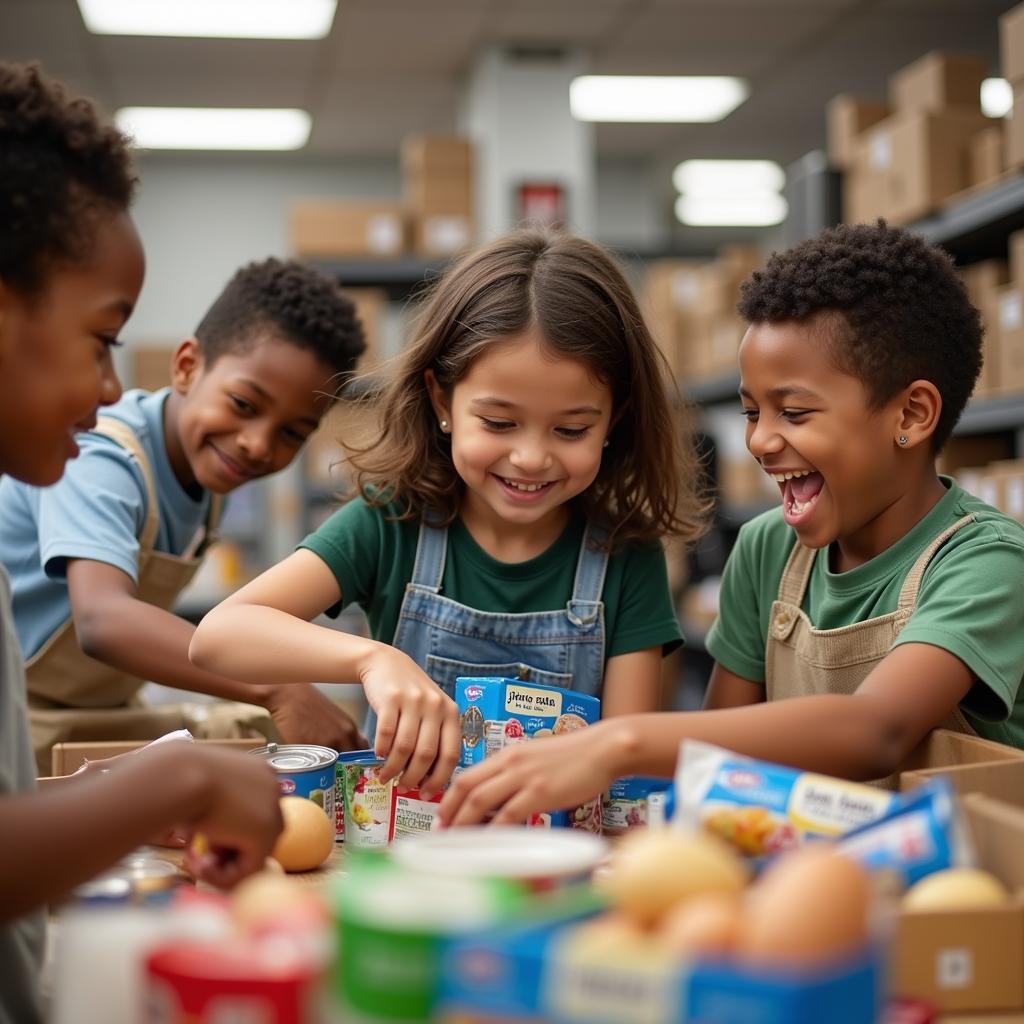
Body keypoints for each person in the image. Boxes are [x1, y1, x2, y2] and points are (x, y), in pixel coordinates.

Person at [437, 220, 1024, 827]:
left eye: (793, 412)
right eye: (751, 411)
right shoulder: (768, 548)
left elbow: (877, 730)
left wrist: (618, 744)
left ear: (913, 412)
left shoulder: (986, 563)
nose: (761, 441)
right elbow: (714, 763)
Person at [190, 229, 706, 796]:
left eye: (571, 429)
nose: (530, 457)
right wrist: (371, 659)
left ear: (615, 420)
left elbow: (625, 768)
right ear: (442, 401)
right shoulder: (389, 523)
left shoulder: (625, 556)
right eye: (499, 423)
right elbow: (218, 636)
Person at [0, 62, 283, 1024]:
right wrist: (184, 769)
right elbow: (103, 619)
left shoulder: (199, 492)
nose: (115, 387)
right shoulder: (106, 454)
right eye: (101, 337)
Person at [0, 249, 369, 773]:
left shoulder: (207, 480)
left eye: (291, 433)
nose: (257, 445)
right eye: (244, 404)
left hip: (95, 712)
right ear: (187, 366)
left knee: (251, 740)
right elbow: (104, 620)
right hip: (23, 715)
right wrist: (282, 688)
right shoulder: (103, 452)